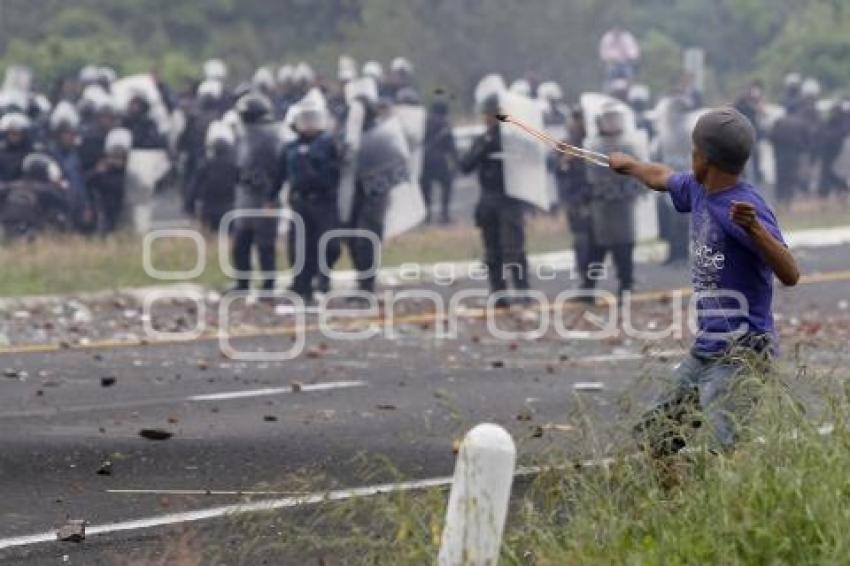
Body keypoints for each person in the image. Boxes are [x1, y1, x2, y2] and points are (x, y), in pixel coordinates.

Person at [610, 107, 800, 454]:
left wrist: (755, 229)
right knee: (659, 437)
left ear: (703, 157)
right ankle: (673, 503)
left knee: (725, 449)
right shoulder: (699, 189)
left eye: (692, 151)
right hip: (708, 347)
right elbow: (662, 177)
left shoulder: (743, 208)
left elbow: (790, 272)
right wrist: (630, 165)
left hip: (744, 351)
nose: (688, 158)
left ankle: (738, 505)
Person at [460, 94, 531, 306]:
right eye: (487, 115)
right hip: (489, 200)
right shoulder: (482, 140)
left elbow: (530, 163)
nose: (489, 119)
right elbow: (465, 166)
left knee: (514, 248)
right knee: (492, 251)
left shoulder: (515, 139)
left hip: (511, 200)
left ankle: (522, 290)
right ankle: (498, 292)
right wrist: (483, 148)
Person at [280, 104, 341, 303]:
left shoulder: (329, 144)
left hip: (324, 200)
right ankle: (302, 284)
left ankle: (323, 277)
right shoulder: (290, 148)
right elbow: (280, 174)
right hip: (300, 202)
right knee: (299, 247)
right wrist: (271, 196)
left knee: (329, 244)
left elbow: (340, 168)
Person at [584, 104, 642, 300]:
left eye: (614, 118)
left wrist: (632, 189)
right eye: (608, 119)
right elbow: (593, 176)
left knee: (624, 248)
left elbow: (638, 172)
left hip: (623, 205)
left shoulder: (629, 145)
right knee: (596, 249)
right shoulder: (593, 145)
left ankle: (626, 285)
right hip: (602, 205)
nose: (612, 123)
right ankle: (588, 288)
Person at [230, 92, 283, 295]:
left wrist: (268, 189)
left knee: (264, 243)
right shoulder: (245, 134)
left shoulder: (270, 135)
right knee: (242, 241)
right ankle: (243, 283)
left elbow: (277, 166)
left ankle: (268, 285)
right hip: (246, 194)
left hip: (263, 195)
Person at [550, 107, 595, 292]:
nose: (578, 124)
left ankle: (591, 277)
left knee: (596, 240)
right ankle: (584, 277)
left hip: (594, 196)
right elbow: (556, 170)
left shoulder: (594, 143)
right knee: (581, 239)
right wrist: (564, 161)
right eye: (576, 120)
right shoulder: (565, 145)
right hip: (575, 198)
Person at [0, 153, 69, 241]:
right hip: (30, 234)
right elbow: (65, 205)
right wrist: (62, 188)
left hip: (6, 231)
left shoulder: (10, 186)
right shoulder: (46, 191)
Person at [184, 123, 239, 232]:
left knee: (210, 239)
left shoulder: (205, 166)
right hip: (231, 208)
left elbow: (193, 187)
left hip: (208, 209)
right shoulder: (235, 166)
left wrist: (189, 206)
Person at [420, 94, 458, 224]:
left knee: (426, 188)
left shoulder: (425, 121)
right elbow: (451, 146)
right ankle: (444, 215)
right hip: (439, 159)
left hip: (425, 159)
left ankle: (426, 216)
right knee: (447, 184)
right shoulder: (445, 124)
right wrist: (457, 162)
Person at [87, 128, 131, 234]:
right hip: (105, 214)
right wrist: (97, 172)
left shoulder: (129, 174)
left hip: (123, 212)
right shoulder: (101, 172)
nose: (117, 159)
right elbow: (88, 183)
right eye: (115, 155)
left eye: (121, 155)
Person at [0, 113, 36, 182]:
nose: (14, 136)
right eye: (11, 133)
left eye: (17, 133)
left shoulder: (32, 152)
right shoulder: (1, 153)